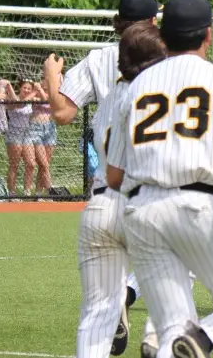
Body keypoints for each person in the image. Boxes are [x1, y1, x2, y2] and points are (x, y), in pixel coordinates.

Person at [105, 0, 213, 357]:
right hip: (198, 205)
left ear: (161, 35)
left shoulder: (134, 88)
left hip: (141, 210)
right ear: (208, 37)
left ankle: (188, 341)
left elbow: (113, 175)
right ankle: (203, 338)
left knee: (171, 329)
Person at [45, 0, 162, 353]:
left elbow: (63, 114)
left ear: (117, 22)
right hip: (155, 192)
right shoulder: (171, 58)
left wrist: (52, 75)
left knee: (96, 313)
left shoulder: (99, 59)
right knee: (180, 266)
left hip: (105, 195)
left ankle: (121, 301)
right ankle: (151, 327)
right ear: (154, 22)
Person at [73, 23, 167, 358]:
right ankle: (156, 336)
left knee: (96, 316)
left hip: (102, 202)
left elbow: (113, 172)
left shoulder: (111, 102)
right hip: (148, 201)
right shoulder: (163, 99)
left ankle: (128, 307)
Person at [2, 79, 36, 197]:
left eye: (29, 89)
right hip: (13, 134)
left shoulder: (32, 101)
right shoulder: (13, 100)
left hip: (26, 134)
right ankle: (12, 192)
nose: (26, 90)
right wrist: (34, 92)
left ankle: (27, 191)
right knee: (14, 164)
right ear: (20, 88)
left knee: (31, 163)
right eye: (24, 88)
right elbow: (19, 104)